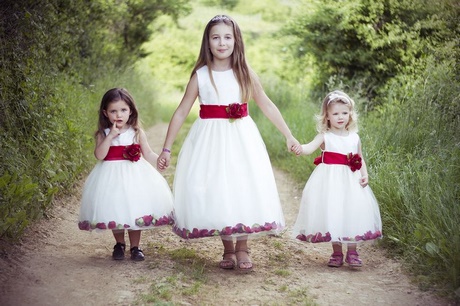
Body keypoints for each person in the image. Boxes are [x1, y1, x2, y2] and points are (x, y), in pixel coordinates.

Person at [157, 15, 299, 271]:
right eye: (215, 37)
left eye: (227, 37)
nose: (222, 42)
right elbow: (180, 112)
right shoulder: (201, 75)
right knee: (218, 187)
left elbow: (266, 104)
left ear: (236, 40)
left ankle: (243, 247)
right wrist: (167, 147)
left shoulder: (244, 73)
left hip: (241, 139)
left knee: (241, 185)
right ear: (207, 42)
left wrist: (288, 135)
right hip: (209, 140)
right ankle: (228, 248)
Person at [78, 88, 174, 261]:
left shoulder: (136, 132)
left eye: (123, 110)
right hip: (110, 177)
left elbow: (148, 153)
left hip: (134, 177)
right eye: (113, 111)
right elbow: (100, 155)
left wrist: (159, 159)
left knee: (134, 209)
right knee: (116, 208)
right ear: (105, 113)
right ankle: (120, 244)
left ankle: (136, 247)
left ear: (130, 111)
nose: (118, 115)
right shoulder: (103, 133)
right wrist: (111, 136)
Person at [291, 90, 382, 267]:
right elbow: (309, 148)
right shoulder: (325, 137)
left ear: (350, 114)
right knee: (334, 211)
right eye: (335, 113)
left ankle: (353, 252)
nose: (340, 117)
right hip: (331, 182)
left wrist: (365, 174)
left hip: (351, 181)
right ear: (327, 116)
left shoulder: (354, 137)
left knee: (352, 211)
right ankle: (337, 252)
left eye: (344, 113)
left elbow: (359, 158)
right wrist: (299, 148)